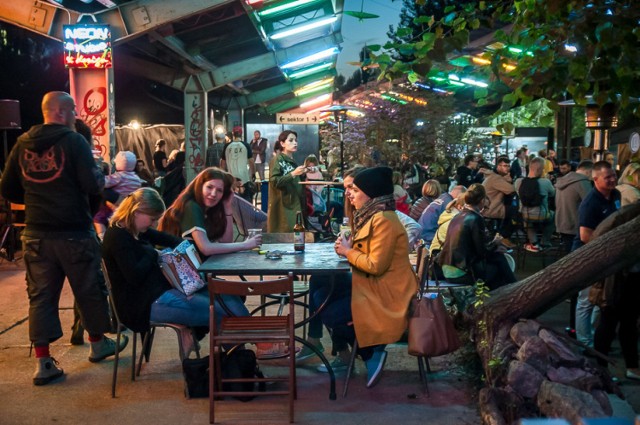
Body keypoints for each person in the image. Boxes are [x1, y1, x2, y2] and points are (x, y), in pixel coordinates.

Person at [0, 91, 126, 386]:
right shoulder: (74, 142)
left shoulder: (22, 143)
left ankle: (43, 363)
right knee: (89, 289)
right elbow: (91, 183)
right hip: (74, 233)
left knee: (40, 297)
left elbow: (8, 189)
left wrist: (35, 200)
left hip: (36, 235)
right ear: (63, 112)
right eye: (73, 111)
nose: (75, 117)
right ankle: (98, 344)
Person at [327, 166, 417, 388]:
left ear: (371, 194)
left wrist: (348, 251)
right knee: (322, 289)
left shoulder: (384, 220)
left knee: (328, 311)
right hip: (373, 286)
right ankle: (359, 351)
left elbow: (375, 265)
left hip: (386, 296)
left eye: (355, 190)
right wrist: (348, 246)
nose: (350, 194)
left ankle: (370, 353)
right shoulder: (372, 216)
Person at [102, 188, 212, 355]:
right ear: (137, 211)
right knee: (215, 309)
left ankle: (193, 335)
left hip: (154, 295)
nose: (153, 224)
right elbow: (134, 276)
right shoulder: (117, 237)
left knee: (215, 297)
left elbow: (169, 240)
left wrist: (189, 248)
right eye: (152, 219)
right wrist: (152, 254)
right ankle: (232, 360)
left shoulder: (135, 230)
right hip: (139, 306)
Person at [573, 161, 621, 349]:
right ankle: (584, 343)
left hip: (607, 255)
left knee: (601, 298)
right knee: (586, 300)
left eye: (613, 175)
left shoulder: (615, 195)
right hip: (588, 255)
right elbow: (586, 236)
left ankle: (593, 337)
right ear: (595, 179)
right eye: (607, 177)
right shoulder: (590, 202)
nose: (612, 179)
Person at [437, 184, 517, 290]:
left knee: (497, 261)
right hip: (461, 273)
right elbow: (482, 252)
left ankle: (510, 291)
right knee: (499, 262)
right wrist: (495, 243)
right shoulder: (475, 218)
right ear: (482, 200)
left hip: (447, 270)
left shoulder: (457, 216)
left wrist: (494, 247)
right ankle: (514, 289)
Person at [267, 130, 309, 232]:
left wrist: (302, 173)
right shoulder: (277, 160)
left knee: (297, 233)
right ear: (282, 143)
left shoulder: (291, 161)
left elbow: (294, 179)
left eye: (295, 140)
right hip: (283, 206)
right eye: (290, 140)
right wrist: (293, 173)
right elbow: (274, 181)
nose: (295, 143)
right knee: (288, 234)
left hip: (294, 202)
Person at [514, 157, 556, 252]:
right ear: (541, 169)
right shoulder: (545, 182)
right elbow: (553, 194)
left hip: (524, 215)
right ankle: (545, 242)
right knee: (554, 215)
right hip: (542, 215)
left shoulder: (518, 182)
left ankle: (534, 243)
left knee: (528, 220)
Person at [480, 157, 516, 245]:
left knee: (512, 210)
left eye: (508, 166)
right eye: (504, 166)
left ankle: (502, 235)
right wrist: (510, 181)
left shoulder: (493, 176)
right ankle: (503, 237)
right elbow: (511, 189)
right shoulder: (496, 178)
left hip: (488, 207)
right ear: (498, 167)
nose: (507, 168)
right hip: (492, 209)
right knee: (518, 212)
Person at [221, 126, 255, 203]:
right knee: (245, 201)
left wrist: (223, 175)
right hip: (244, 178)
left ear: (233, 134)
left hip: (231, 179)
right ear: (241, 134)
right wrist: (253, 174)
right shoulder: (246, 145)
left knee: (231, 201)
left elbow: (222, 163)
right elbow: (251, 162)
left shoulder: (227, 146)